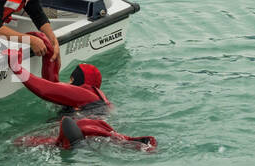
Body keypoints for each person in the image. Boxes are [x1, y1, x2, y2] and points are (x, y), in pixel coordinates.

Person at [8, 53, 156, 152]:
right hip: (93, 134)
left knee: (20, 142)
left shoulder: (84, 93)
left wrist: (16, 67)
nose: (66, 84)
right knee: (25, 142)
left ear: (76, 81)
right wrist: (50, 56)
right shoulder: (97, 97)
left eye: (70, 80)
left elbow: (45, 89)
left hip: (83, 129)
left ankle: (68, 142)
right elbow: (53, 86)